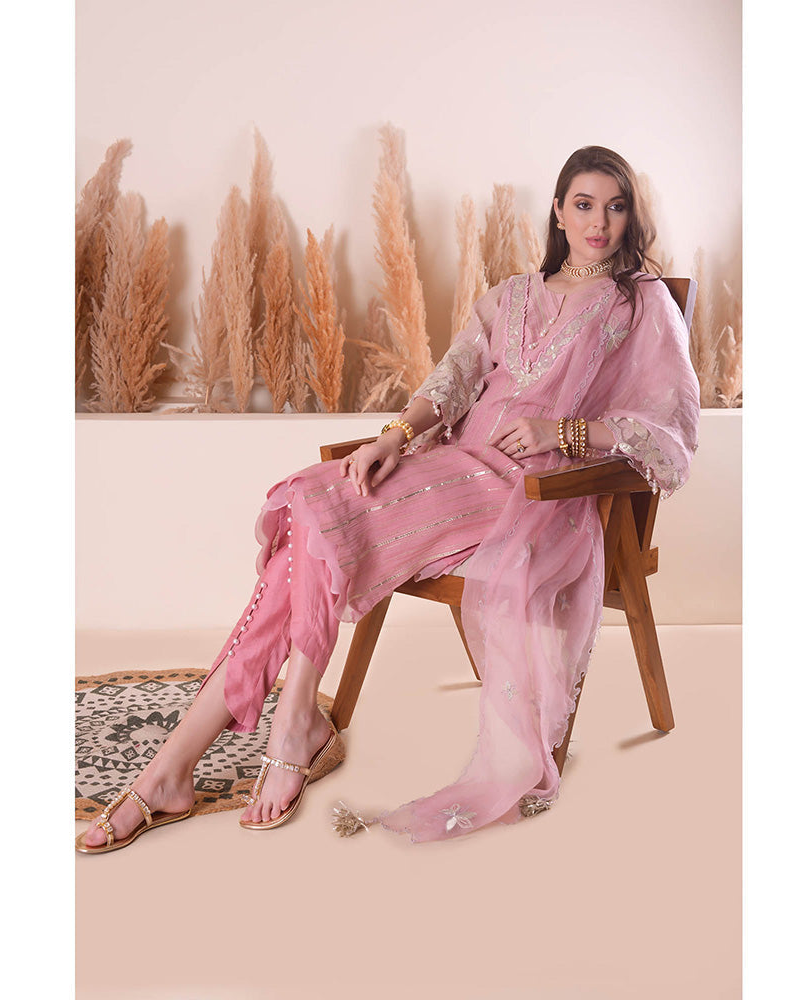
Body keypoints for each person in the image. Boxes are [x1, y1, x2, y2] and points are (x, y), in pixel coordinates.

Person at [75, 145, 700, 851]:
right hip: (452, 467)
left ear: (630, 216)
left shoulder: (641, 303)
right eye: (583, 205)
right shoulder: (512, 296)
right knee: (316, 499)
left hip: (532, 494)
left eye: (615, 207)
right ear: (558, 211)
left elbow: (670, 431)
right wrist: (395, 436)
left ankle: (205, 760)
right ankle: (247, 740)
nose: (599, 222)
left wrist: (564, 431)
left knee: (316, 522)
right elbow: (453, 378)